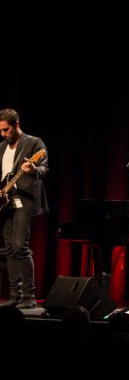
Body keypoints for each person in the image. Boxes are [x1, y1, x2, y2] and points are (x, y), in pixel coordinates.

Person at [0, 108, 49, 309]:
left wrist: (34, 169)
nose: (3, 134)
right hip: (6, 203)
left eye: (6, 130)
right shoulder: (2, 147)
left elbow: (44, 168)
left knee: (20, 247)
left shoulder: (34, 143)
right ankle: (15, 295)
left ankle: (29, 296)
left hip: (24, 201)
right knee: (10, 250)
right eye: (1, 131)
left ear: (16, 124)